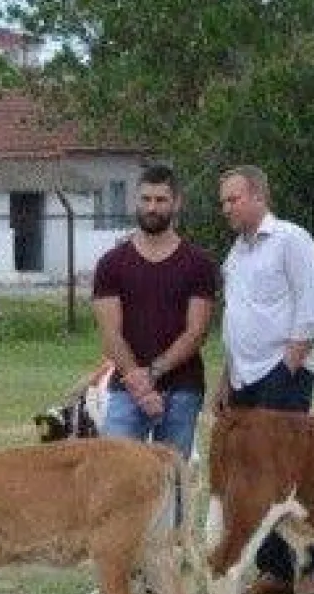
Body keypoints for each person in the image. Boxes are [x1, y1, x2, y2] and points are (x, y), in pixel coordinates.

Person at [212, 164, 314, 594]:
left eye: (233, 199)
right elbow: (235, 318)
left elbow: (312, 309)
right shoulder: (236, 252)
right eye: (224, 201)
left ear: (258, 196)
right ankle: (275, 570)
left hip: (282, 372)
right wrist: (226, 378)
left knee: (294, 472)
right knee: (253, 477)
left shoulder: (290, 239)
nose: (226, 207)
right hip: (243, 375)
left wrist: (289, 368)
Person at [90, 163, 218, 460]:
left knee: (172, 483)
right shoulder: (112, 263)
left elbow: (197, 332)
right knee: (116, 479)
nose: (152, 207)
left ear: (176, 203)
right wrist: (140, 386)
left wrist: (153, 374)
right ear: (136, 201)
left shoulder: (198, 263)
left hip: (183, 388)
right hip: (126, 388)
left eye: (161, 200)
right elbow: (110, 334)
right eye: (146, 199)